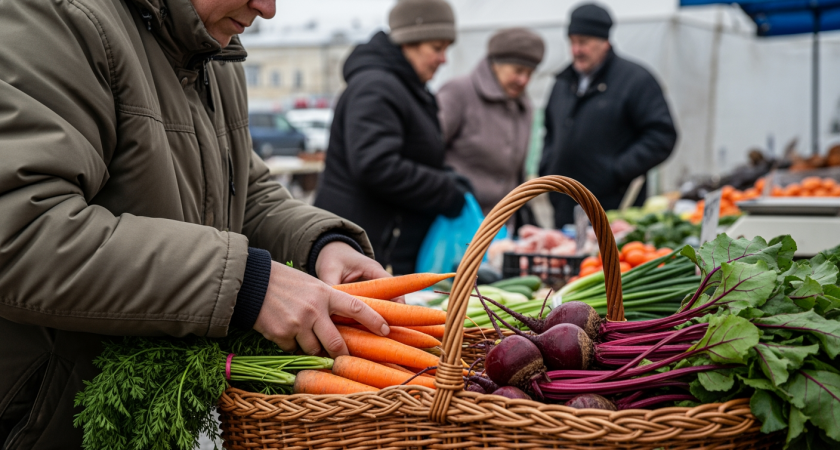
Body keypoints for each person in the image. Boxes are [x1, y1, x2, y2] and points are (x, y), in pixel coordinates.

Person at [0, 0, 396, 446]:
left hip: (142, 421)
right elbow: (21, 232)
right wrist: (247, 284)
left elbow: (242, 189)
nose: (267, 9)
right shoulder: (57, 17)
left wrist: (322, 244)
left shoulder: (214, 51)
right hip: (41, 420)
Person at [315, 0, 470, 275]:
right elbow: (376, 164)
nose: (443, 59)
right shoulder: (376, 87)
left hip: (386, 246)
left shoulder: (409, 88)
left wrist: (448, 177)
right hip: (363, 249)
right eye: (437, 48)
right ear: (408, 42)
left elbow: (414, 153)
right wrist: (444, 191)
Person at [539, 3, 678, 227]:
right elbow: (550, 131)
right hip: (565, 206)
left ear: (604, 42)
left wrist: (617, 171)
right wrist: (547, 168)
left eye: (584, 42)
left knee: (608, 262)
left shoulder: (635, 80)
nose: (576, 50)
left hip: (615, 208)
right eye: (572, 42)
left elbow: (661, 135)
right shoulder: (563, 82)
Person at [437, 28, 545, 216]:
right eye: (518, 71)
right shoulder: (458, 93)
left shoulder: (524, 106)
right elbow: (429, 150)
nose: (524, 80)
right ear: (495, 64)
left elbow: (517, 174)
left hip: (502, 224)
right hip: (459, 220)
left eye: (530, 73)